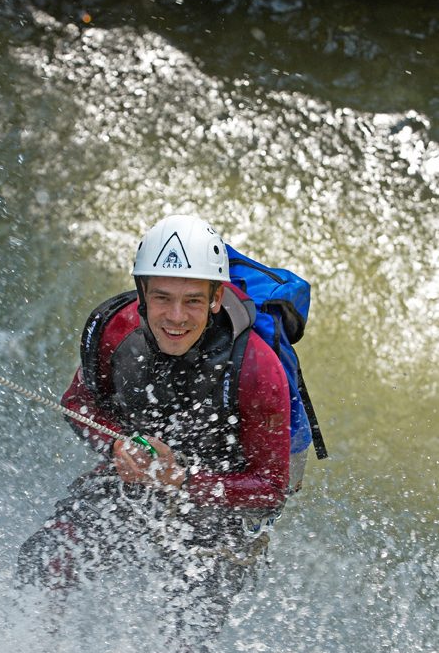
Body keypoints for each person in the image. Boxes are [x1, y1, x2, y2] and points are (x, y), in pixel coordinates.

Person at [16, 213, 291, 596]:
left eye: (192, 300)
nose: (176, 317)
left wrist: (181, 480)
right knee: (47, 557)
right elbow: (76, 402)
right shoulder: (115, 331)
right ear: (142, 292)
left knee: (186, 624)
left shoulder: (257, 369)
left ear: (215, 299)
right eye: (162, 297)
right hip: (140, 478)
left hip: (223, 501)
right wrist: (117, 445)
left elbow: (270, 487)